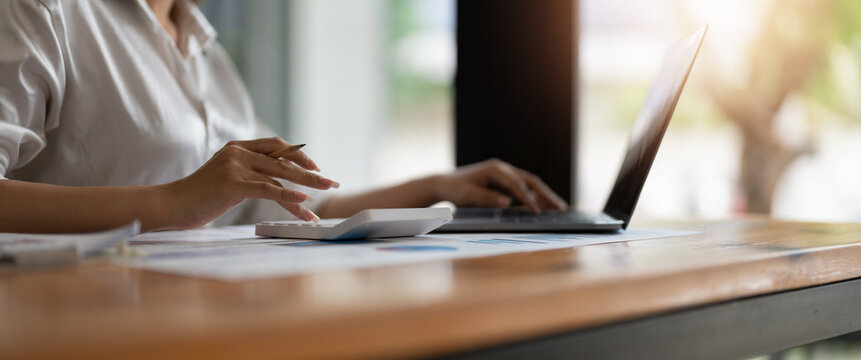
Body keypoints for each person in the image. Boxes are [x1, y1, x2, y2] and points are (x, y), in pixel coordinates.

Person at [0, 0, 566, 234]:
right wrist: (171, 202)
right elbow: (192, 199)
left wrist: (436, 186)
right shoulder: (45, 11)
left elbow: (292, 208)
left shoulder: (208, 54)